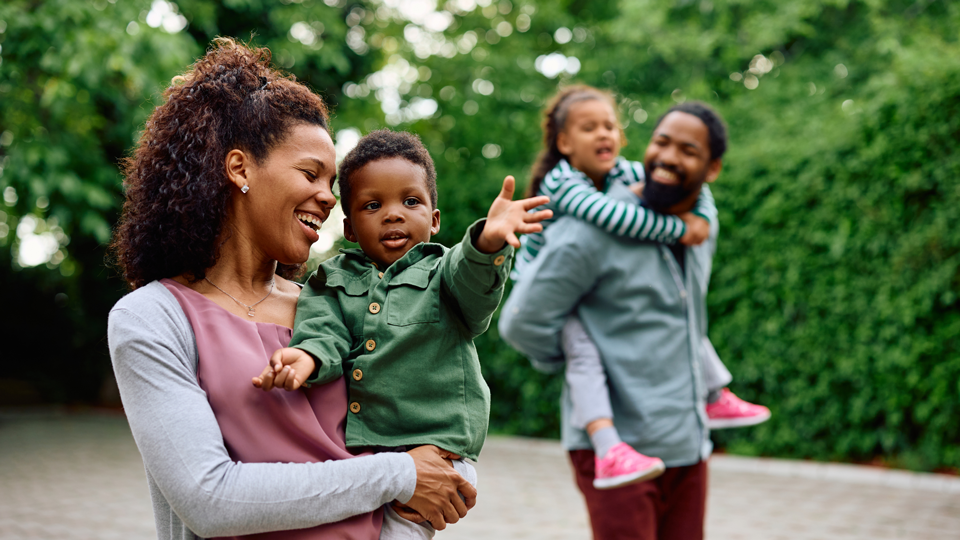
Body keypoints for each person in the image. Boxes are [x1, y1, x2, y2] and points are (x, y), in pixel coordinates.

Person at [107, 39, 475, 540]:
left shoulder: (338, 309)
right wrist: (400, 475)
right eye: (311, 174)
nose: (328, 199)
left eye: (332, 184)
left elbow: (434, 444)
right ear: (240, 169)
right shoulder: (153, 317)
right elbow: (209, 498)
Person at [253, 129, 552, 538]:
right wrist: (306, 357)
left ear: (434, 219)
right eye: (372, 205)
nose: (393, 214)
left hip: (437, 451)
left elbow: (473, 282)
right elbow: (324, 331)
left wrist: (486, 242)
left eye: (410, 201)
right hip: (368, 451)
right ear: (351, 227)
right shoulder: (331, 279)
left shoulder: (443, 273)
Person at [499, 101, 739, 539]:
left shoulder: (702, 225)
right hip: (615, 446)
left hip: (688, 444)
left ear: (712, 169)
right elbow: (520, 323)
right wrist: (581, 357)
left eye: (687, 150)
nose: (666, 157)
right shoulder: (590, 229)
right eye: (661, 142)